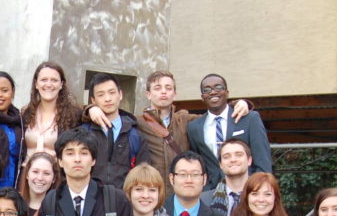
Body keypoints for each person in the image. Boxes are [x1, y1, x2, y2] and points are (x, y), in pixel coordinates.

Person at [87, 70, 248, 177]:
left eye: (168, 88)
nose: (163, 92)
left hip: (182, 188)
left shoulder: (186, 119)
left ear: (175, 94)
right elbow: (111, 115)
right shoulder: (136, 122)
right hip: (153, 191)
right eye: (157, 88)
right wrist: (90, 109)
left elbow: (214, 114)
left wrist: (242, 103)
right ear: (148, 94)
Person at [187, 74, 272, 188]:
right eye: (207, 89)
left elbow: (263, 160)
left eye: (219, 87)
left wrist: (257, 189)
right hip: (212, 193)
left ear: (227, 92)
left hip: (246, 190)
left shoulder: (249, 119)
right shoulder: (194, 127)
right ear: (202, 97)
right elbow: (199, 165)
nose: (213, 92)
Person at [77, 73, 150, 189]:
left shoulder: (135, 135)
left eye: (112, 92)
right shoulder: (83, 133)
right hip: (90, 200)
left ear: (120, 94)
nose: (108, 99)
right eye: (101, 95)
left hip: (124, 201)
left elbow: (143, 174)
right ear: (93, 100)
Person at [19, 62, 82, 161]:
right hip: (27, 174)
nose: (49, 84)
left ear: (61, 84)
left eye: (54, 80)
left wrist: (91, 109)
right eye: (44, 80)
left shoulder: (73, 115)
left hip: (57, 174)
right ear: (36, 84)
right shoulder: (25, 113)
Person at [202, 139, 252, 216]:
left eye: (239, 155)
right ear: (220, 164)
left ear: (249, 160)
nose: (233, 160)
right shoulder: (203, 200)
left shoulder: (263, 199)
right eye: (226, 157)